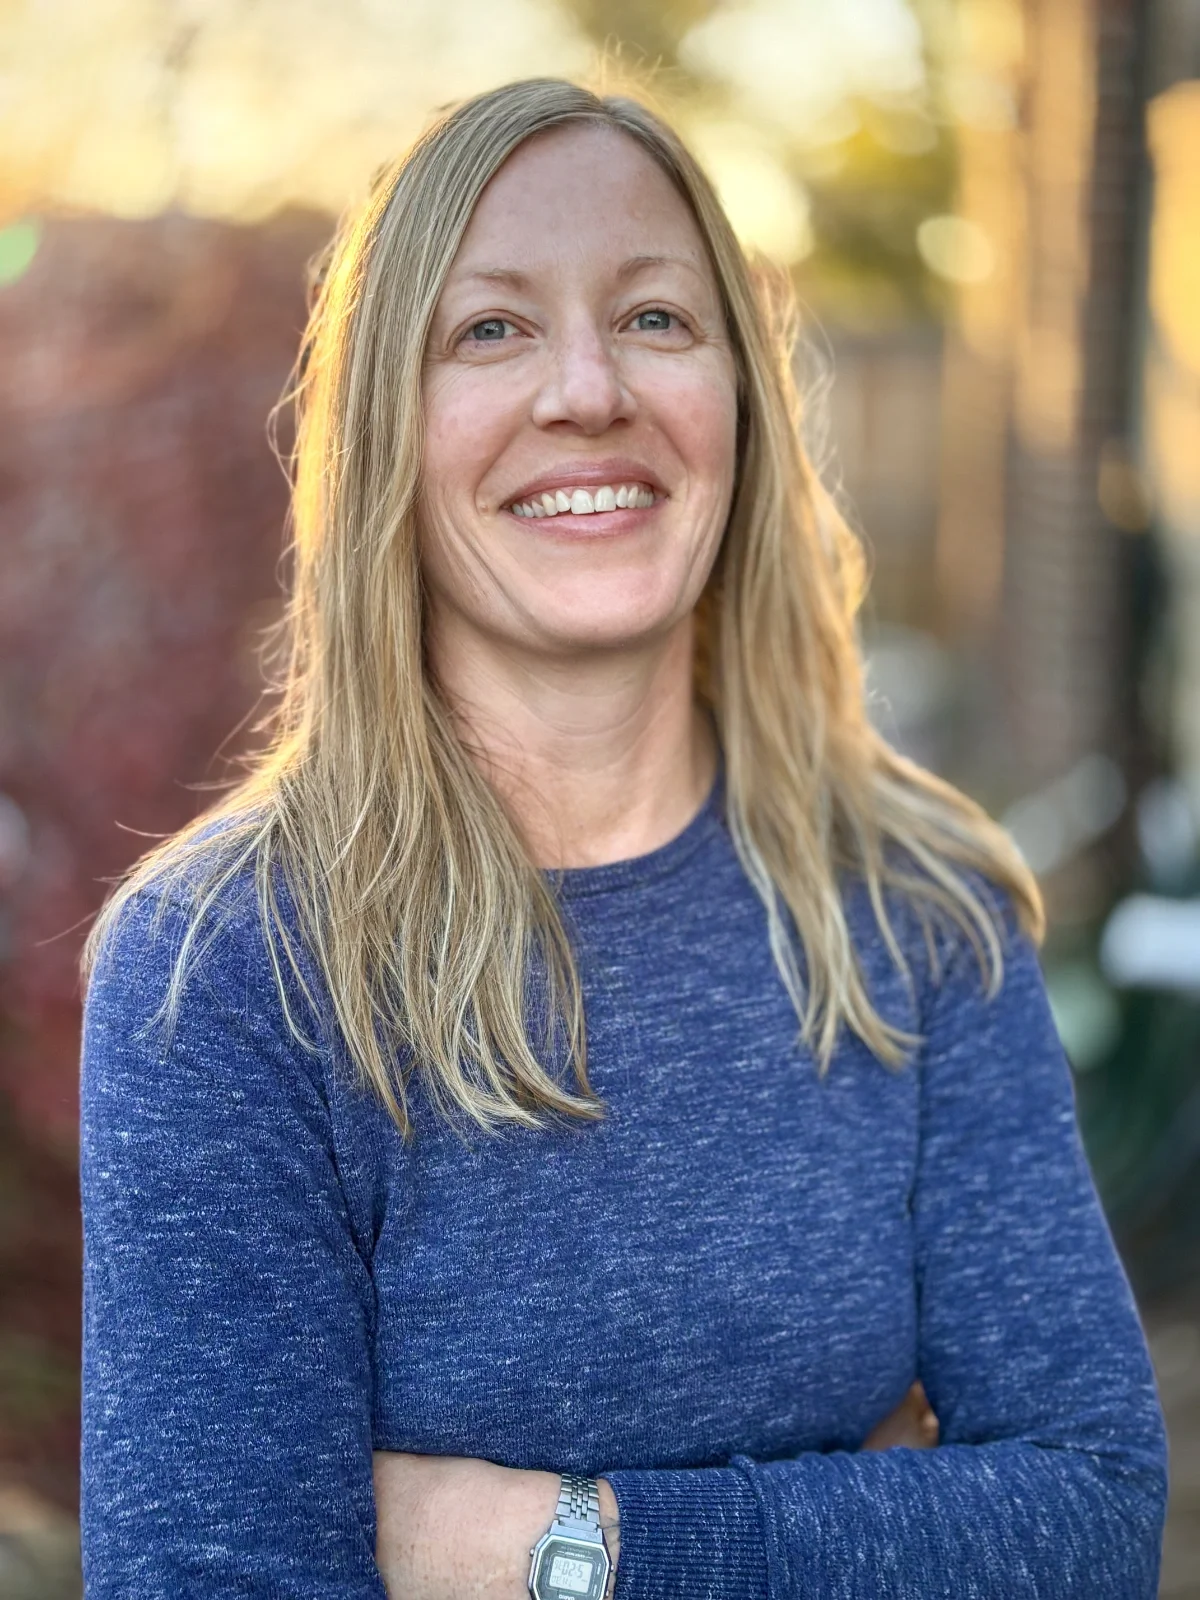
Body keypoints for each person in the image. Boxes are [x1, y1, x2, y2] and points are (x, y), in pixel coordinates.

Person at [78, 77, 1168, 1598]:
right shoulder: (234, 966)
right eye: (492, 329)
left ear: (740, 403)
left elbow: (1090, 1516)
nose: (587, 389)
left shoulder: (922, 910)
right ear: (388, 430)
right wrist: (887, 1526)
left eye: (657, 319)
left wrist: (557, 1546)